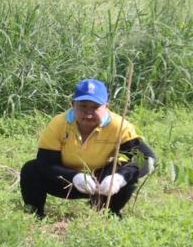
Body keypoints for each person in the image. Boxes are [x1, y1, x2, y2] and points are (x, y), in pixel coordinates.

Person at [20, 78, 155, 218]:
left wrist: (120, 178)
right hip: (66, 181)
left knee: (129, 173)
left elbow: (148, 159)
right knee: (31, 169)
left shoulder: (120, 127)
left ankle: (110, 213)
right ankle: (34, 213)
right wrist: (74, 177)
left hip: (103, 184)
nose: (88, 113)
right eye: (83, 106)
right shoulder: (59, 124)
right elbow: (45, 162)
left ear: (106, 107)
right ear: (73, 105)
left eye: (95, 107)